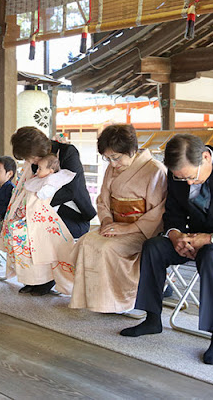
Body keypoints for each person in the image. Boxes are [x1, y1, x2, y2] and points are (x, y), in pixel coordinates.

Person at [120, 133, 213, 366]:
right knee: (154, 246)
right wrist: (175, 236)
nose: (189, 183)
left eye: (191, 177)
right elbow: (173, 213)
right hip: (197, 238)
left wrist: (211, 239)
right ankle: (152, 318)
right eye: (182, 179)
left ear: (205, 157)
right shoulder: (177, 174)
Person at [67, 124, 167, 314]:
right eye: (108, 158)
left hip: (140, 231)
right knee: (87, 241)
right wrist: (106, 221)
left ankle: (118, 301)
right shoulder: (112, 169)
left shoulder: (155, 170)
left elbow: (158, 212)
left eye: (116, 157)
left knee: (106, 248)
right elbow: (103, 200)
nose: (112, 164)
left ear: (132, 150)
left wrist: (128, 229)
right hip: (114, 226)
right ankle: (95, 300)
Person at [5, 126, 96, 295]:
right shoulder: (35, 162)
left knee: (39, 232)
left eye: (31, 158)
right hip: (46, 211)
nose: (31, 162)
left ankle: (48, 279)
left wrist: (39, 205)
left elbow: (72, 189)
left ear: (38, 151)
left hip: (73, 214)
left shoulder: (68, 152)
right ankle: (36, 277)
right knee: (21, 230)